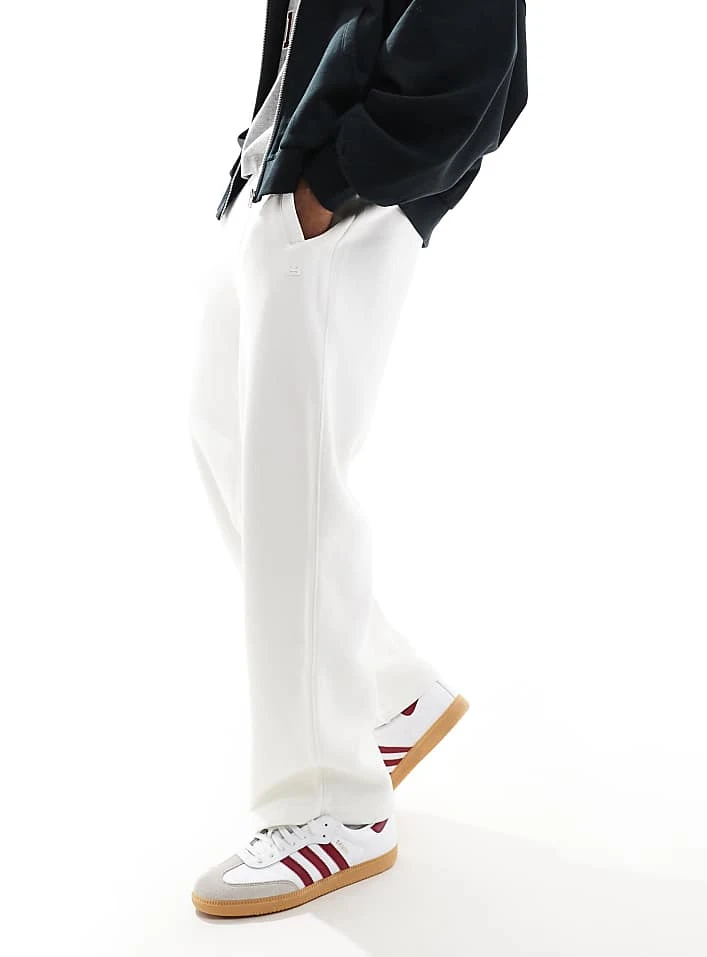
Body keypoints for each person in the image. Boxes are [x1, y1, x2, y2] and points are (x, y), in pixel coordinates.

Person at [188, 0, 527, 918]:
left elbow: (475, 35)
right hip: (280, 168)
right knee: (223, 430)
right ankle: (381, 691)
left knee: (294, 481)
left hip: (341, 191)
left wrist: (339, 177)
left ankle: (333, 803)